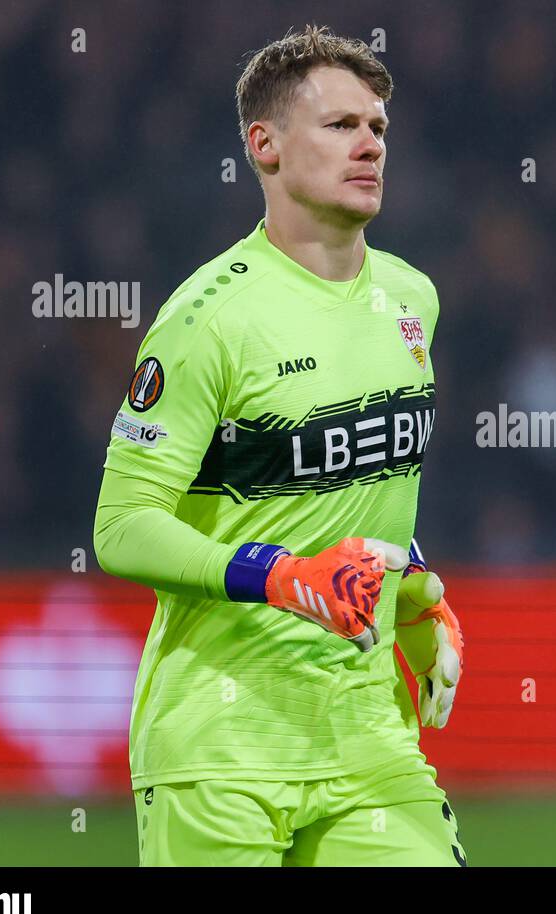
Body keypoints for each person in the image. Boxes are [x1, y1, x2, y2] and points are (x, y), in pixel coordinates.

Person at [93, 24, 465, 866]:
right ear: (264, 145)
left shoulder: (412, 298)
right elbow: (120, 527)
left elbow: (356, 486)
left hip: (367, 734)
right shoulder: (206, 320)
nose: (368, 143)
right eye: (340, 126)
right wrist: (283, 576)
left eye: (377, 128)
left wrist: (412, 589)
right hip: (221, 741)